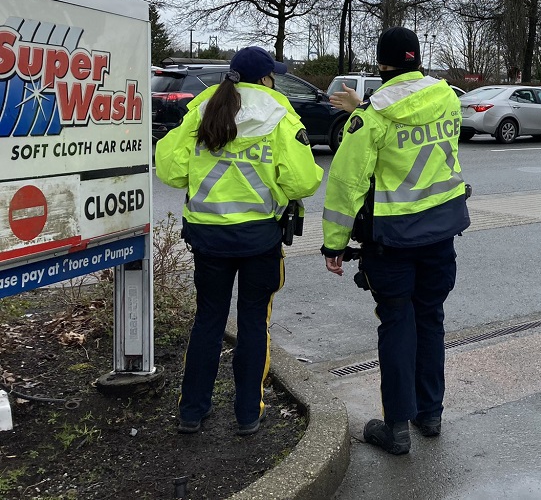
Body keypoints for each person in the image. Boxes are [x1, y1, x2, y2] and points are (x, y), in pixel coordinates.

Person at [155, 46, 323, 436]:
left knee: (208, 321)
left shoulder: (204, 110)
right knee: (253, 323)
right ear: (265, 78)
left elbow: (170, 170)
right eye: (273, 76)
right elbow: (303, 181)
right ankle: (248, 414)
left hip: (207, 238)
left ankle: (192, 411)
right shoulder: (280, 115)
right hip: (259, 240)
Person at [322, 27, 469, 455]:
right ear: (417, 59)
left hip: (393, 240)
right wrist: (363, 108)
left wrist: (334, 244)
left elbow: (346, 184)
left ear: (382, 65)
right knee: (430, 319)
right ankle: (430, 414)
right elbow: (410, 115)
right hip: (440, 232)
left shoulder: (370, 118)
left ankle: (397, 428)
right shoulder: (447, 98)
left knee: (397, 324)